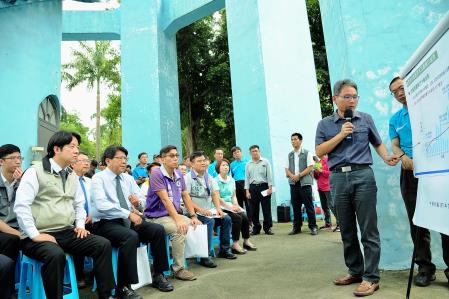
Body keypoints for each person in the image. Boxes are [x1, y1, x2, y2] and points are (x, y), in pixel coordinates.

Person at [315, 79, 399, 297]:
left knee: (368, 229)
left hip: (363, 175)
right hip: (337, 178)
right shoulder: (324, 124)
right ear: (335, 99)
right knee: (347, 230)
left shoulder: (365, 119)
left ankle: (371, 278)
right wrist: (341, 134)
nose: (352, 100)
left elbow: (377, 142)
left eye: (355, 96)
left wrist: (386, 157)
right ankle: (355, 271)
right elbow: (320, 150)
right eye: (347, 96)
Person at [14, 131, 115, 299]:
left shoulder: (71, 175)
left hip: (66, 232)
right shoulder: (34, 172)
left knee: (102, 244)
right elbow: (21, 206)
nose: (76, 151)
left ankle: (106, 295)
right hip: (37, 235)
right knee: (55, 255)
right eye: (72, 147)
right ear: (56, 149)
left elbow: (79, 205)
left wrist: (80, 226)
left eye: (77, 147)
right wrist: (35, 235)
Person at [389, 76, 449, 287]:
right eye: (394, 91)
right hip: (410, 171)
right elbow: (395, 144)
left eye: (401, 88)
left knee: (444, 216)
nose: (399, 93)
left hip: (437, 168)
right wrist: (403, 157)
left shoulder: (431, 107)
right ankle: (425, 268)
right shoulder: (396, 119)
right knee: (418, 220)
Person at [90, 145, 173, 296]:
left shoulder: (127, 178)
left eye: (125, 159)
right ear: (108, 161)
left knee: (157, 230)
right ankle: (123, 286)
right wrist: (127, 213)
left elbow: (142, 199)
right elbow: (102, 205)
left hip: (128, 220)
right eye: (120, 158)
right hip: (106, 223)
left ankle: (159, 275)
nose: (124, 162)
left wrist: (137, 203)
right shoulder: (98, 179)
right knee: (130, 237)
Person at [145, 145, 200, 281]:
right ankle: (178, 269)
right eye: (171, 156)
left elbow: (186, 196)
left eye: (176, 155)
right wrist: (179, 219)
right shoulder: (157, 174)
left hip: (171, 215)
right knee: (179, 229)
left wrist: (193, 215)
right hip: (156, 216)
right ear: (163, 159)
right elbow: (165, 199)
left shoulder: (179, 174)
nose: (175, 158)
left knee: (197, 224)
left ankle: (192, 256)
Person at [185, 151, 237, 268]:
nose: (203, 163)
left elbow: (214, 194)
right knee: (209, 221)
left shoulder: (209, 177)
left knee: (226, 218)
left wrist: (219, 209)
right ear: (192, 164)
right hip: (193, 212)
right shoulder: (187, 178)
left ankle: (224, 250)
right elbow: (186, 198)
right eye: (199, 161)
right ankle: (205, 255)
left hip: (209, 211)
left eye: (204, 160)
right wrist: (201, 210)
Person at [216, 158, 256, 254]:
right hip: (219, 205)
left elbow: (233, 196)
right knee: (237, 218)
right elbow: (217, 198)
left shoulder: (231, 180)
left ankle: (246, 241)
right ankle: (235, 244)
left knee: (244, 216)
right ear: (218, 168)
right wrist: (230, 208)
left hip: (230, 205)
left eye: (227, 165)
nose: (226, 167)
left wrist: (237, 206)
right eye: (223, 165)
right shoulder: (215, 180)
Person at [0, 144, 23, 298]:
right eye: (13, 158)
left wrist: (21, 183)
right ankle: (7, 289)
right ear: (1, 162)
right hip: (5, 230)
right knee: (12, 239)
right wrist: (18, 234)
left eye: (19, 157)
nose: (18, 161)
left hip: (18, 228)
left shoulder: (22, 182)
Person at [285, 133, 318, 236]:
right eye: (292, 140)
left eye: (295, 139)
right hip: (293, 184)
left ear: (300, 140)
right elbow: (286, 169)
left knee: (309, 206)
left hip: (304, 183)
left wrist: (298, 176)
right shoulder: (290, 154)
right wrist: (292, 176)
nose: (293, 141)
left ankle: (313, 227)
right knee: (295, 206)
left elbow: (310, 167)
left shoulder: (307, 153)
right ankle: (297, 227)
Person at [70, 152, 93, 288]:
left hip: (92, 220)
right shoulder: (67, 180)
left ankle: (96, 273)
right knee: (78, 237)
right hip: (74, 222)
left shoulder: (91, 181)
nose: (86, 163)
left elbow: (97, 202)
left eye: (87, 160)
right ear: (73, 164)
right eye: (82, 160)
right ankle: (79, 275)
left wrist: (93, 215)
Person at [245, 145, 274, 235]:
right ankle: (256, 228)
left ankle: (267, 228)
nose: (255, 152)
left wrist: (270, 187)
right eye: (253, 151)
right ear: (250, 153)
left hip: (264, 187)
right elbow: (246, 178)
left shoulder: (265, 162)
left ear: (259, 151)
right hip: (253, 188)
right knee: (253, 210)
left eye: (256, 151)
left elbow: (269, 175)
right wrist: (247, 191)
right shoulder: (248, 164)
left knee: (266, 209)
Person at [313, 155, 337, 231]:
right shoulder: (319, 162)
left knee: (332, 205)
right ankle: (328, 224)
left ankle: (340, 224)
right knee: (324, 206)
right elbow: (316, 176)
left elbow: (331, 173)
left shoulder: (329, 160)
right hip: (320, 187)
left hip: (328, 187)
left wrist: (321, 171)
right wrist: (316, 172)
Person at [230, 146, 252, 228]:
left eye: (238, 152)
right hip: (236, 184)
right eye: (235, 153)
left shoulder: (247, 162)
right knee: (238, 205)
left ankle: (250, 222)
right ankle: (242, 222)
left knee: (248, 204)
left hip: (246, 185)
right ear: (233, 155)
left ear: (241, 153)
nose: (237, 154)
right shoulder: (232, 165)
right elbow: (231, 176)